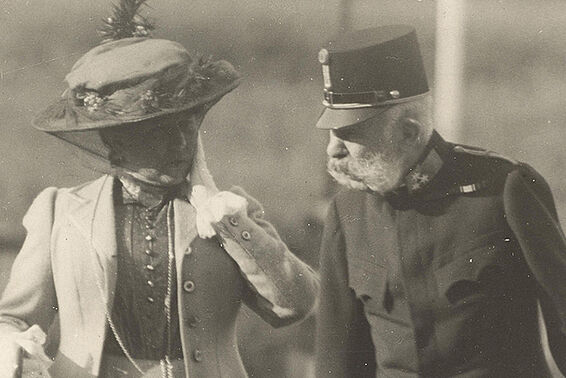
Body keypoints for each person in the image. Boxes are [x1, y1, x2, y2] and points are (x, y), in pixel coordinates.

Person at [0, 2, 318, 377]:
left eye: (187, 126)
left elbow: (295, 306)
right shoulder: (61, 212)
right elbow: (13, 319)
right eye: (157, 132)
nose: (181, 145)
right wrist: (12, 345)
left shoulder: (229, 211)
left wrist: (227, 221)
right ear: (113, 142)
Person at [314, 25, 566, 377]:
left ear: (409, 132)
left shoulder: (504, 190)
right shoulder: (348, 213)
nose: (333, 151)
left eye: (350, 135)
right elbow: (337, 364)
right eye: (330, 134)